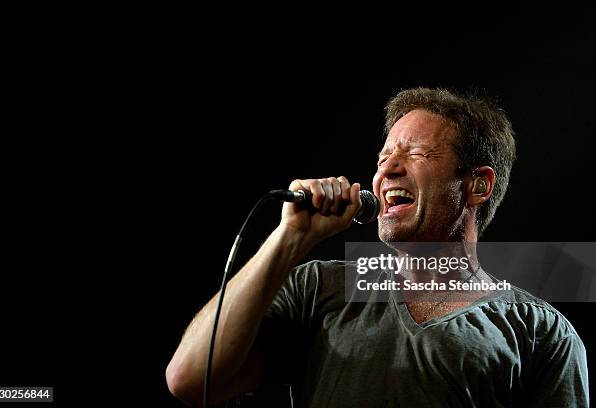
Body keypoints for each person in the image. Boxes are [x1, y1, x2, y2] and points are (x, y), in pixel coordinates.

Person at [166, 88, 589, 407]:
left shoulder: (541, 332)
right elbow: (190, 379)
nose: (387, 169)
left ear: (478, 185)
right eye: (383, 157)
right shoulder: (319, 287)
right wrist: (290, 238)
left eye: (415, 152)